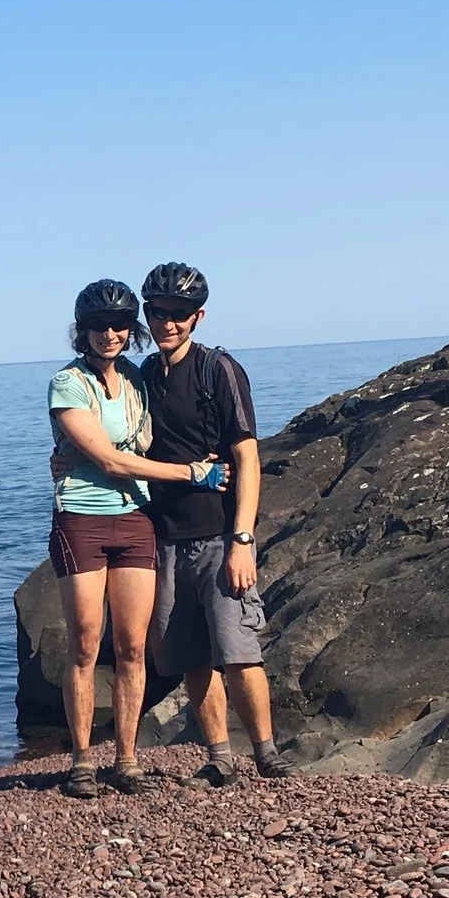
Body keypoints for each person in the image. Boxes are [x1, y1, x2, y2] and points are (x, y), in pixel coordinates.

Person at [48, 279, 228, 801]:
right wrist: (191, 474)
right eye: (99, 325)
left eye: (121, 324)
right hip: (81, 519)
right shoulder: (67, 383)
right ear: (81, 331)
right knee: (85, 645)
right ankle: (83, 762)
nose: (111, 333)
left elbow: (163, 432)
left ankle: (126, 760)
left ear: (132, 330)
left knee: (132, 648)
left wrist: (213, 457)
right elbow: (107, 458)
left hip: (135, 520)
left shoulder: (137, 378)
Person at [136, 261, 295, 787]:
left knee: (239, 652)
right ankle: (220, 757)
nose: (168, 323)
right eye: (158, 312)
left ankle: (268, 754)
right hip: (163, 540)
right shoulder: (144, 379)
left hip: (219, 537)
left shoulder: (217, 370)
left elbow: (247, 456)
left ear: (197, 316)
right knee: (191, 658)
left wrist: (243, 539)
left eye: (179, 314)